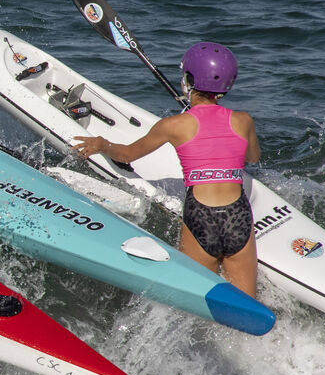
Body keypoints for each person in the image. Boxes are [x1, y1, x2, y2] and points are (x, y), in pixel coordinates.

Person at [73, 42, 261, 295]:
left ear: (188, 81)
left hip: (201, 215)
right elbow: (253, 157)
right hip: (237, 214)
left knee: (196, 298)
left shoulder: (173, 125)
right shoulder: (243, 120)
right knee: (245, 305)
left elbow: (128, 154)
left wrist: (101, 144)